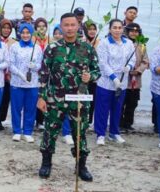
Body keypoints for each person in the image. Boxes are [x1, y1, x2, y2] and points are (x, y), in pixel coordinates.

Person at [37, 13, 100, 182]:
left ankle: (81, 166)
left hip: (79, 99)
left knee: (79, 133)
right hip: (55, 98)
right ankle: (46, 163)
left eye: (73, 25)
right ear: (61, 26)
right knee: (50, 131)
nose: (70, 28)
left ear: (78, 26)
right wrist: (41, 97)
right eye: (66, 25)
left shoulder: (87, 48)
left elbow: (97, 71)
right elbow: (44, 73)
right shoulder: (52, 48)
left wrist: (90, 77)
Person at [94, 20, 135, 145]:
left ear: (123, 29)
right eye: (114, 28)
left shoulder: (128, 43)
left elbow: (133, 58)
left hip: (122, 82)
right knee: (102, 109)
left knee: (117, 108)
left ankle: (114, 133)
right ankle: (100, 134)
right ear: (110, 29)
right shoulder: (104, 43)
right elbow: (102, 63)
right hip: (106, 82)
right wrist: (113, 77)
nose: (117, 30)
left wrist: (129, 66)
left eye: (119, 27)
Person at [9, 23, 43, 142]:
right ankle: (17, 131)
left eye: (27, 33)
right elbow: (11, 64)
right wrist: (20, 74)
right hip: (17, 82)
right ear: (19, 33)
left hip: (32, 83)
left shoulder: (37, 47)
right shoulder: (14, 47)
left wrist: (34, 66)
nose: (25, 35)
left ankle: (28, 131)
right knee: (16, 107)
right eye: (23, 33)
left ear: (31, 33)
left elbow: (40, 65)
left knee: (30, 108)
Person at [120, 23, 150, 132]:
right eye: (131, 31)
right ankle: (119, 122)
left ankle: (128, 123)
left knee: (132, 103)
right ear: (127, 32)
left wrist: (138, 70)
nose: (133, 33)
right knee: (120, 102)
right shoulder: (122, 43)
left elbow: (146, 61)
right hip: (123, 78)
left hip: (136, 79)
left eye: (136, 31)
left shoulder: (141, 45)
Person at [0, 18, 16, 132]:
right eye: (4, 27)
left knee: (5, 99)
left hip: (9, 76)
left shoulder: (14, 42)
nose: (6, 30)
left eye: (8, 28)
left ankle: (1, 120)